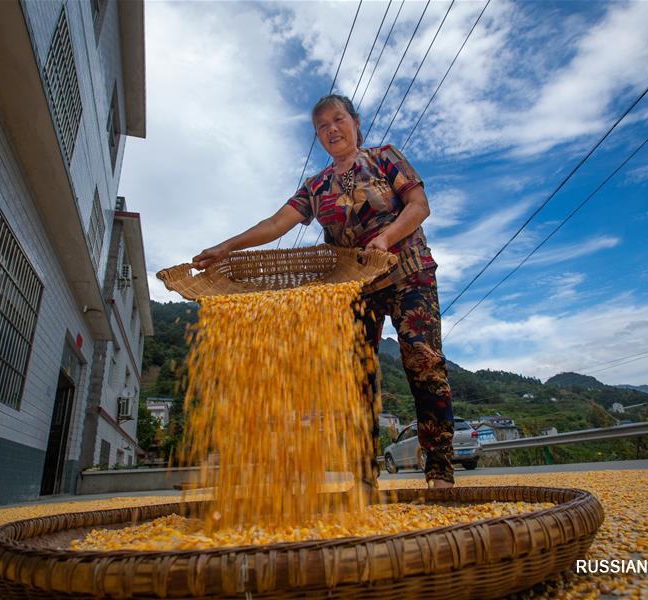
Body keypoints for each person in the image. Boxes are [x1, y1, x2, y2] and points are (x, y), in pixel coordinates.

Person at [193, 94, 455, 490]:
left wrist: (385, 239)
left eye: (338, 120)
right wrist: (227, 247)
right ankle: (364, 476)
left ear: (355, 122)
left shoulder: (384, 158)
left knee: (422, 361)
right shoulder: (317, 186)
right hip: (352, 284)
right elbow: (275, 223)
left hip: (407, 271)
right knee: (356, 375)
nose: (332, 129)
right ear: (318, 136)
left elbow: (418, 206)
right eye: (322, 126)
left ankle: (439, 472)